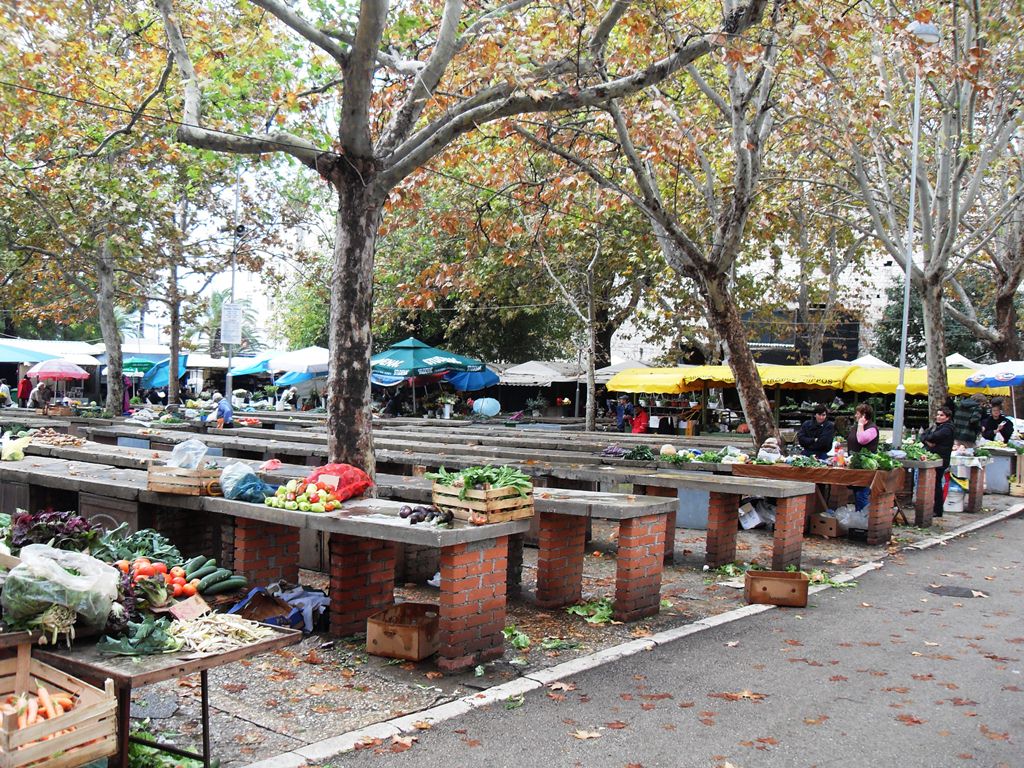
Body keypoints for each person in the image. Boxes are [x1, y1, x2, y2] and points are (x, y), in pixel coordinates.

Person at [920, 405, 955, 518]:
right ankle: (933, 508)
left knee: (937, 484)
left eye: (941, 415)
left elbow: (934, 437)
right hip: (933, 457)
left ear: (947, 417)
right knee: (933, 484)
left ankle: (938, 509)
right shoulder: (936, 426)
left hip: (941, 460)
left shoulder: (948, 428)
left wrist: (929, 440)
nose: (938, 417)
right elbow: (923, 435)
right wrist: (927, 441)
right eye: (938, 415)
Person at [848, 402, 880, 514]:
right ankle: (858, 519)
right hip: (855, 465)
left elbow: (862, 440)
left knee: (862, 494)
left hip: (865, 468)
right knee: (856, 493)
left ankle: (865, 521)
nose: (855, 416)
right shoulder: (855, 427)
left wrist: (861, 425)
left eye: (858, 414)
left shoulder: (872, 429)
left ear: (864, 415)